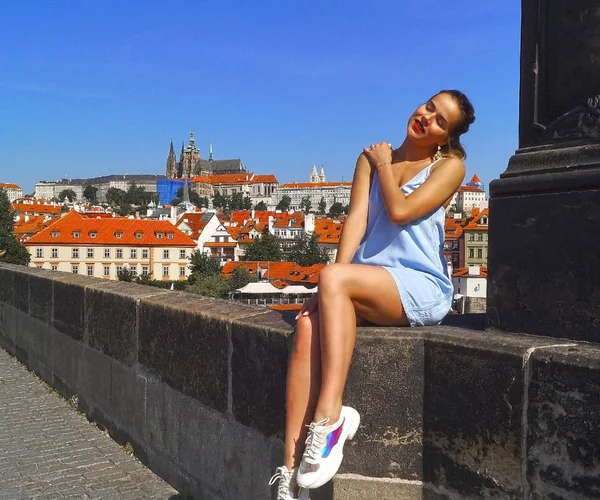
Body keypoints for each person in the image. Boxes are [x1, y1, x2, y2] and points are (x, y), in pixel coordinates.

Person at [270, 90, 476, 499]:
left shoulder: (451, 166)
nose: (426, 118)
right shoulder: (368, 160)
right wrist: (330, 283)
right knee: (309, 326)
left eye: (440, 122)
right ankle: (288, 473)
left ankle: (331, 418)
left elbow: (401, 211)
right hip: (366, 278)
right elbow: (355, 222)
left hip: (418, 283)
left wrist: (385, 165)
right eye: (429, 107)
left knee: (332, 284)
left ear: (446, 139)